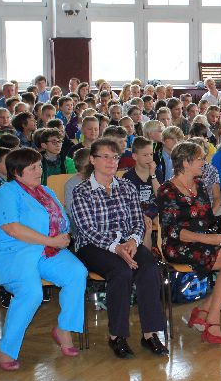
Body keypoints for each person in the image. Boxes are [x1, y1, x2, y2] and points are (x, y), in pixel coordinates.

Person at [0, 148, 87, 370]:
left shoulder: (45, 191)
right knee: (31, 293)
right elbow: (13, 229)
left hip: (45, 251)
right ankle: (7, 349)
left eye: (39, 166)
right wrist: (52, 241)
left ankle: (64, 329)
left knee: (77, 273)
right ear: (17, 172)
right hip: (12, 253)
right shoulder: (5, 193)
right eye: (33, 168)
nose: (40, 171)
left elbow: (62, 220)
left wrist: (64, 236)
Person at [71, 138, 169, 358]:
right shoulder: (82, 191)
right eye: (105, 157)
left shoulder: (126, 187)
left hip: (127, 242)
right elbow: (86, 229)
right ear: (93, 160)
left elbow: (138, 221)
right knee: (121, 271)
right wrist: (116, 248)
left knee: (150, 267)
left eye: (115, 157)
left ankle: (150, 334)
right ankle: (117, 336)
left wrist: (133, 241)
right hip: (94, 246)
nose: (111, 162)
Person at [157, 142, 221, 344]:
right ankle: (212, 318)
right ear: (186, 163)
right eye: (200, 159)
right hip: (179, 245)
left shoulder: (199, 185)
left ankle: (204, 308)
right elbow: (172, 231)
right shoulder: (167, 190)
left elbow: (208, 219)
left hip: (204, 240)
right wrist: (208, 239)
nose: (205, 162)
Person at [121, 137, 160, 246]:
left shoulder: (157, 172)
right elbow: (127, 203)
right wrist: (141, 215)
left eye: (151, 154)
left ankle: (161, 249)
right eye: (145, 155)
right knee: (145, 225)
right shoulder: (128, 176)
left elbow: (160, 196)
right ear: (135, 156)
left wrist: (153, 175)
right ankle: (147, 251)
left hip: (154, 209)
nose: (149, 158)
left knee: (164, 222)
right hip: (137, 211)